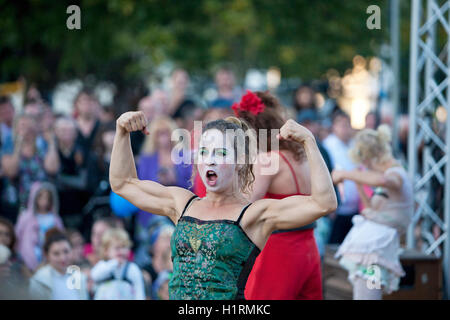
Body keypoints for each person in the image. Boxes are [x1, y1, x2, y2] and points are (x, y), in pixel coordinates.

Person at [109, 107, 337, 300]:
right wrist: (121, 133)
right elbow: (123, 183)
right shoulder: (181, 203)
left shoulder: (253, 214)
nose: (210, 159)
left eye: (221, 153)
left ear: (239, 161)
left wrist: (309, 142)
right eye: (205, 152)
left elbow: (323, 203)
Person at [233, 91, 322, 300]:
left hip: (279, 249)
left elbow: (243, 206)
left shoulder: (269, 160)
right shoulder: (300, 155)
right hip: (308, 246)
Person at [332, 125, 413, 299]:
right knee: (366, 292)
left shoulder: (395, 173)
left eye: (365, 163)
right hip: (371, 251)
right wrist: (358, 183)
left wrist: (346, 175)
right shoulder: (390, 175)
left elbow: (382, 180)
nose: (365, 167)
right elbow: (369, 209)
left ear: (371, 158)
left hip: (374, 252)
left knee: (369, 294)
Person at [1, 114, 60, 216]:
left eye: (30, 126)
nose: (27, 130)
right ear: (15, 129)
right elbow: (11, 172)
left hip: (41, 204)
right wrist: (19, 144)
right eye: (23, 126)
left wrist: (51, 143)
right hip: (16, 203)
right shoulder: (9, 148)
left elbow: (52, 169)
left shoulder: (43, 147)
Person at [323, 110, 360, 244]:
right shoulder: (328, 146)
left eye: (347, 125)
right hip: (336, 210)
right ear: (334, 126)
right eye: (342, 125)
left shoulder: (354, 145)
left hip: (355, 209)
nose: (345, 129)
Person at [15, 181, 64, 271]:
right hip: (29, 257)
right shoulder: (26, 217)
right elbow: (18, 235)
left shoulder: (55, 218)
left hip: (50, 255)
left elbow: (60, 237)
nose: (44, 201)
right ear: (34, 197)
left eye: (47, 198)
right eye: (41, 197)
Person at [29, 228, 89, 300]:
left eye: (66, 251)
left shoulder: (79, 277)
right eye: (56, 254)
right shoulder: (39, 281)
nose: (62, 258)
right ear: (47, 255)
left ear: (72, 251)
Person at [90, 228, 145, 300]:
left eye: (124, 247)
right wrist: (113, 264)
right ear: (106, 251)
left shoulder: (132, 268)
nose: (121, 251)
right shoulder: (103, 265)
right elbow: (95, 275)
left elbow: (139, 290)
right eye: (117, 248)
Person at [0, 217, 30, 299]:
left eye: (7, 234)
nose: (3, 237)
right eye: (0, 233)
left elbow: (28, 280)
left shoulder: (17, 258)